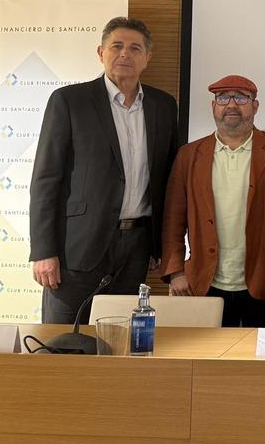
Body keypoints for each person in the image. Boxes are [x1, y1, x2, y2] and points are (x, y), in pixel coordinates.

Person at [29, 16, 179, 324]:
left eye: (135, 48)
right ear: (101, 52)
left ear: (147, 58)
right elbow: (46, 180)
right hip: (76, 248)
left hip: (136, 248)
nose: (125, 54)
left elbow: (167, 179)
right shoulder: (70, 101)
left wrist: (159, 245)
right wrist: (43, 251)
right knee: (62, 343)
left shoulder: (163, 106)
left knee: (119, 342)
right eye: (117, 46)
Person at [160, 75, 265, 327]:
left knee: (262, 363)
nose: (231, 105)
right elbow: (174, 218)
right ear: (213, 106)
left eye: (241, 97)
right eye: (223, 97)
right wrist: (176, 272)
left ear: (255, 106)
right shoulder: (189, 155)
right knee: (207, 363)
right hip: (204, 282)